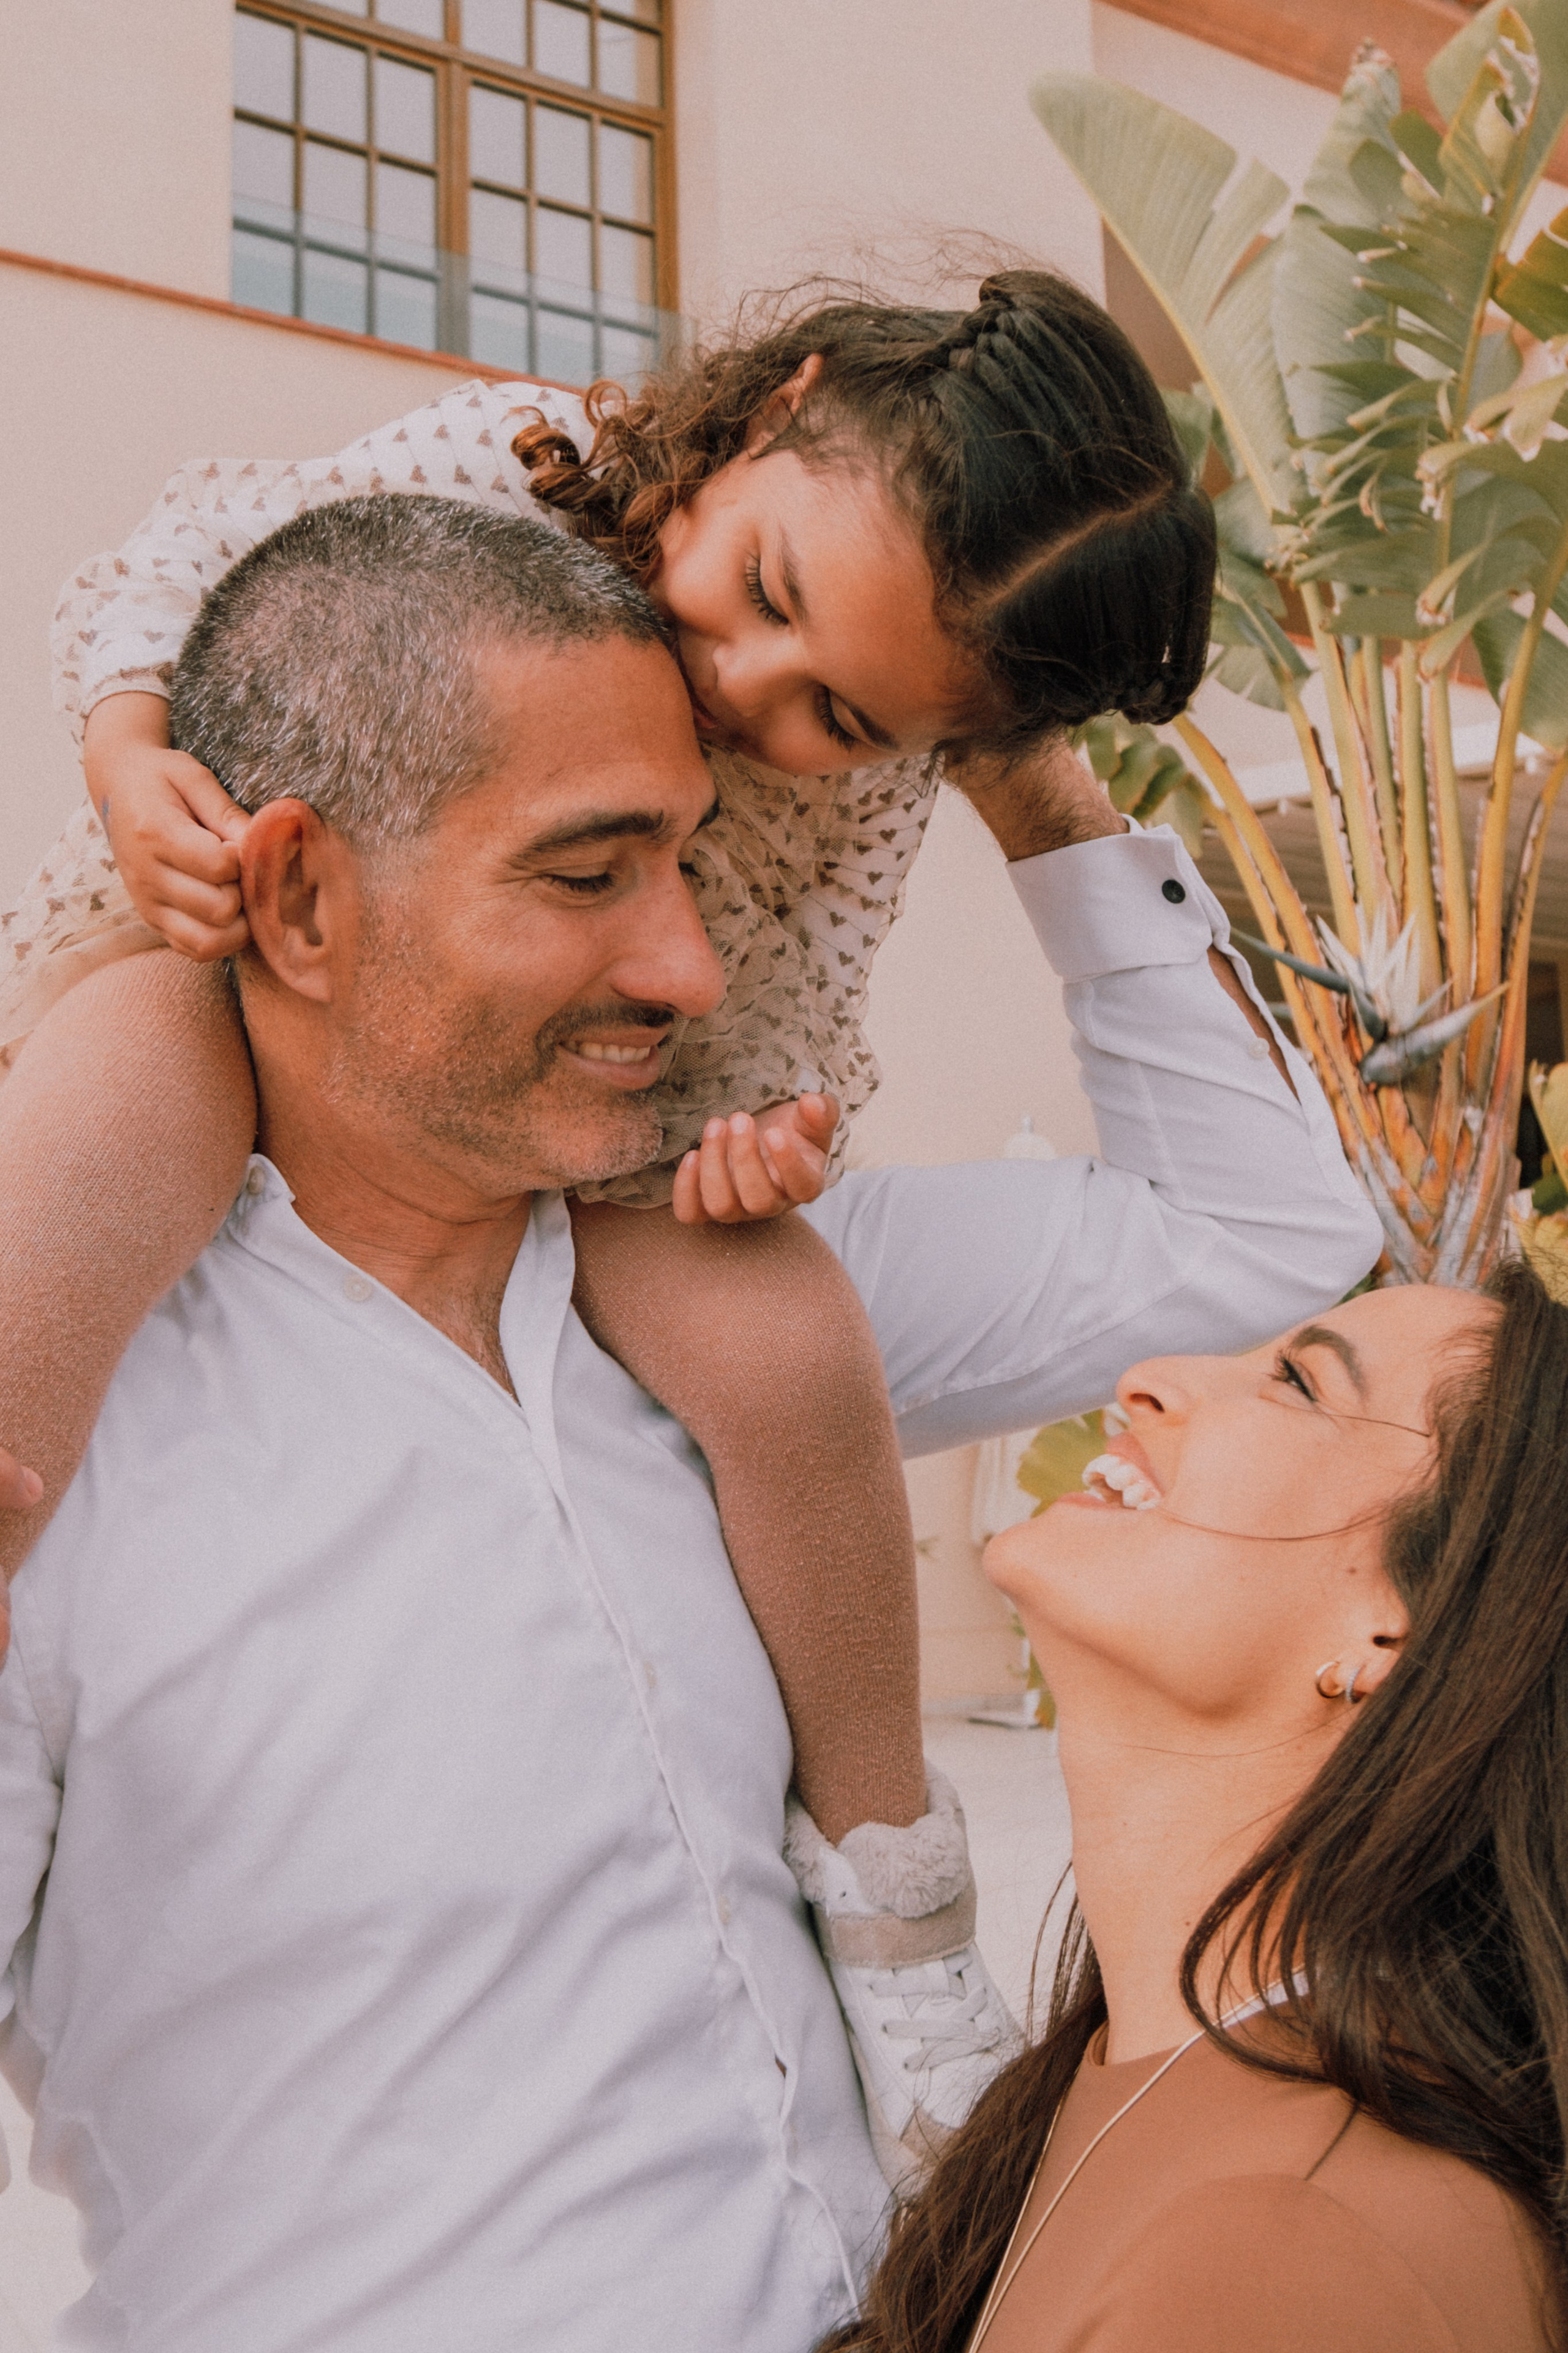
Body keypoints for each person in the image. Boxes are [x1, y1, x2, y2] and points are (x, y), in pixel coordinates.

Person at [0, 495, 1376, 2351]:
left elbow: (1268, 1227)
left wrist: (1004, 741)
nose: (692, 971)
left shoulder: (755, 1293)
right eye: (588, 874)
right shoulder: (58, 1426)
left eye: (689, 865)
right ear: (304, 896)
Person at [0, 278, 1215, 2074]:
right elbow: (183, 548)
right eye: (767, 595)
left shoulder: (858, 809)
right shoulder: (510, 454)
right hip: (230, 953)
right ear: (780, 404)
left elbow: (785, 1015)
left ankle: (897, 1906)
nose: (745, 684)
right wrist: (129, 752)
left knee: (790, 1347)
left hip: (599, 1105)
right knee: (104, 1118)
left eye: (845, 714)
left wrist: (759, 1137)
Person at [829, 1266, 1568, 2353]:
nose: (1147, 1380)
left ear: (1394, 1631)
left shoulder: (1286, 2254)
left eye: (1299, 1383)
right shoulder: (1134, 2080)